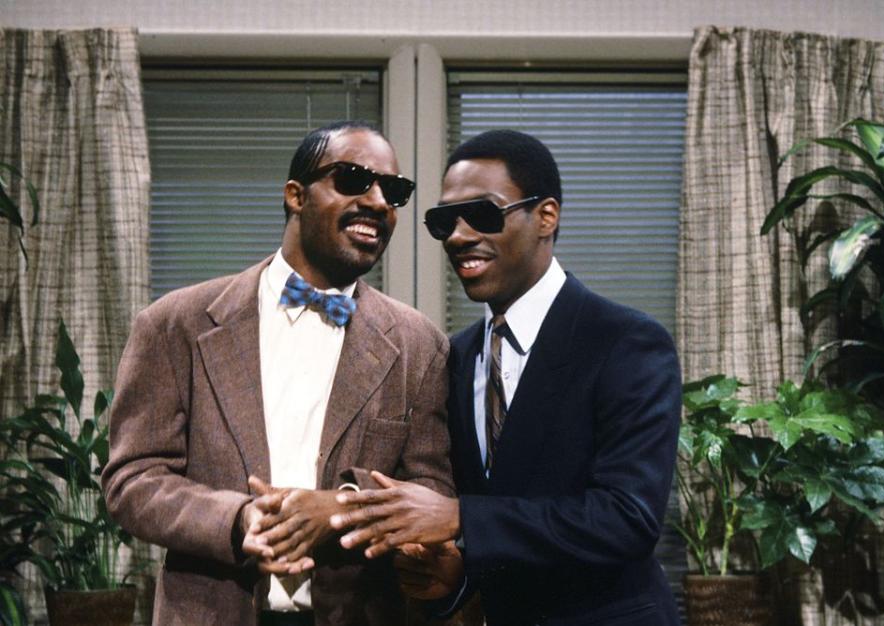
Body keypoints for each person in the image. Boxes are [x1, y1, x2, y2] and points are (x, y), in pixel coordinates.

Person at [102, 121, 454, 626]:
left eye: (393, 191)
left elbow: (432, 489)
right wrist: (237, 519)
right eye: (354, 179)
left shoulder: (420, 345)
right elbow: (132, 479)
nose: (379, 202)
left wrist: (342, 509)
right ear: (295, 195)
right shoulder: (173, 324)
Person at [330, 129, 682, 625]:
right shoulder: (454, 356)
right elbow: (504, 524)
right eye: (444, 220)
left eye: (482, 214)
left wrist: (459, 518)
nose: (457, 235)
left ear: (546, 217)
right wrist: (455, 575)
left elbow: (627, 520)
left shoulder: (626, 343)